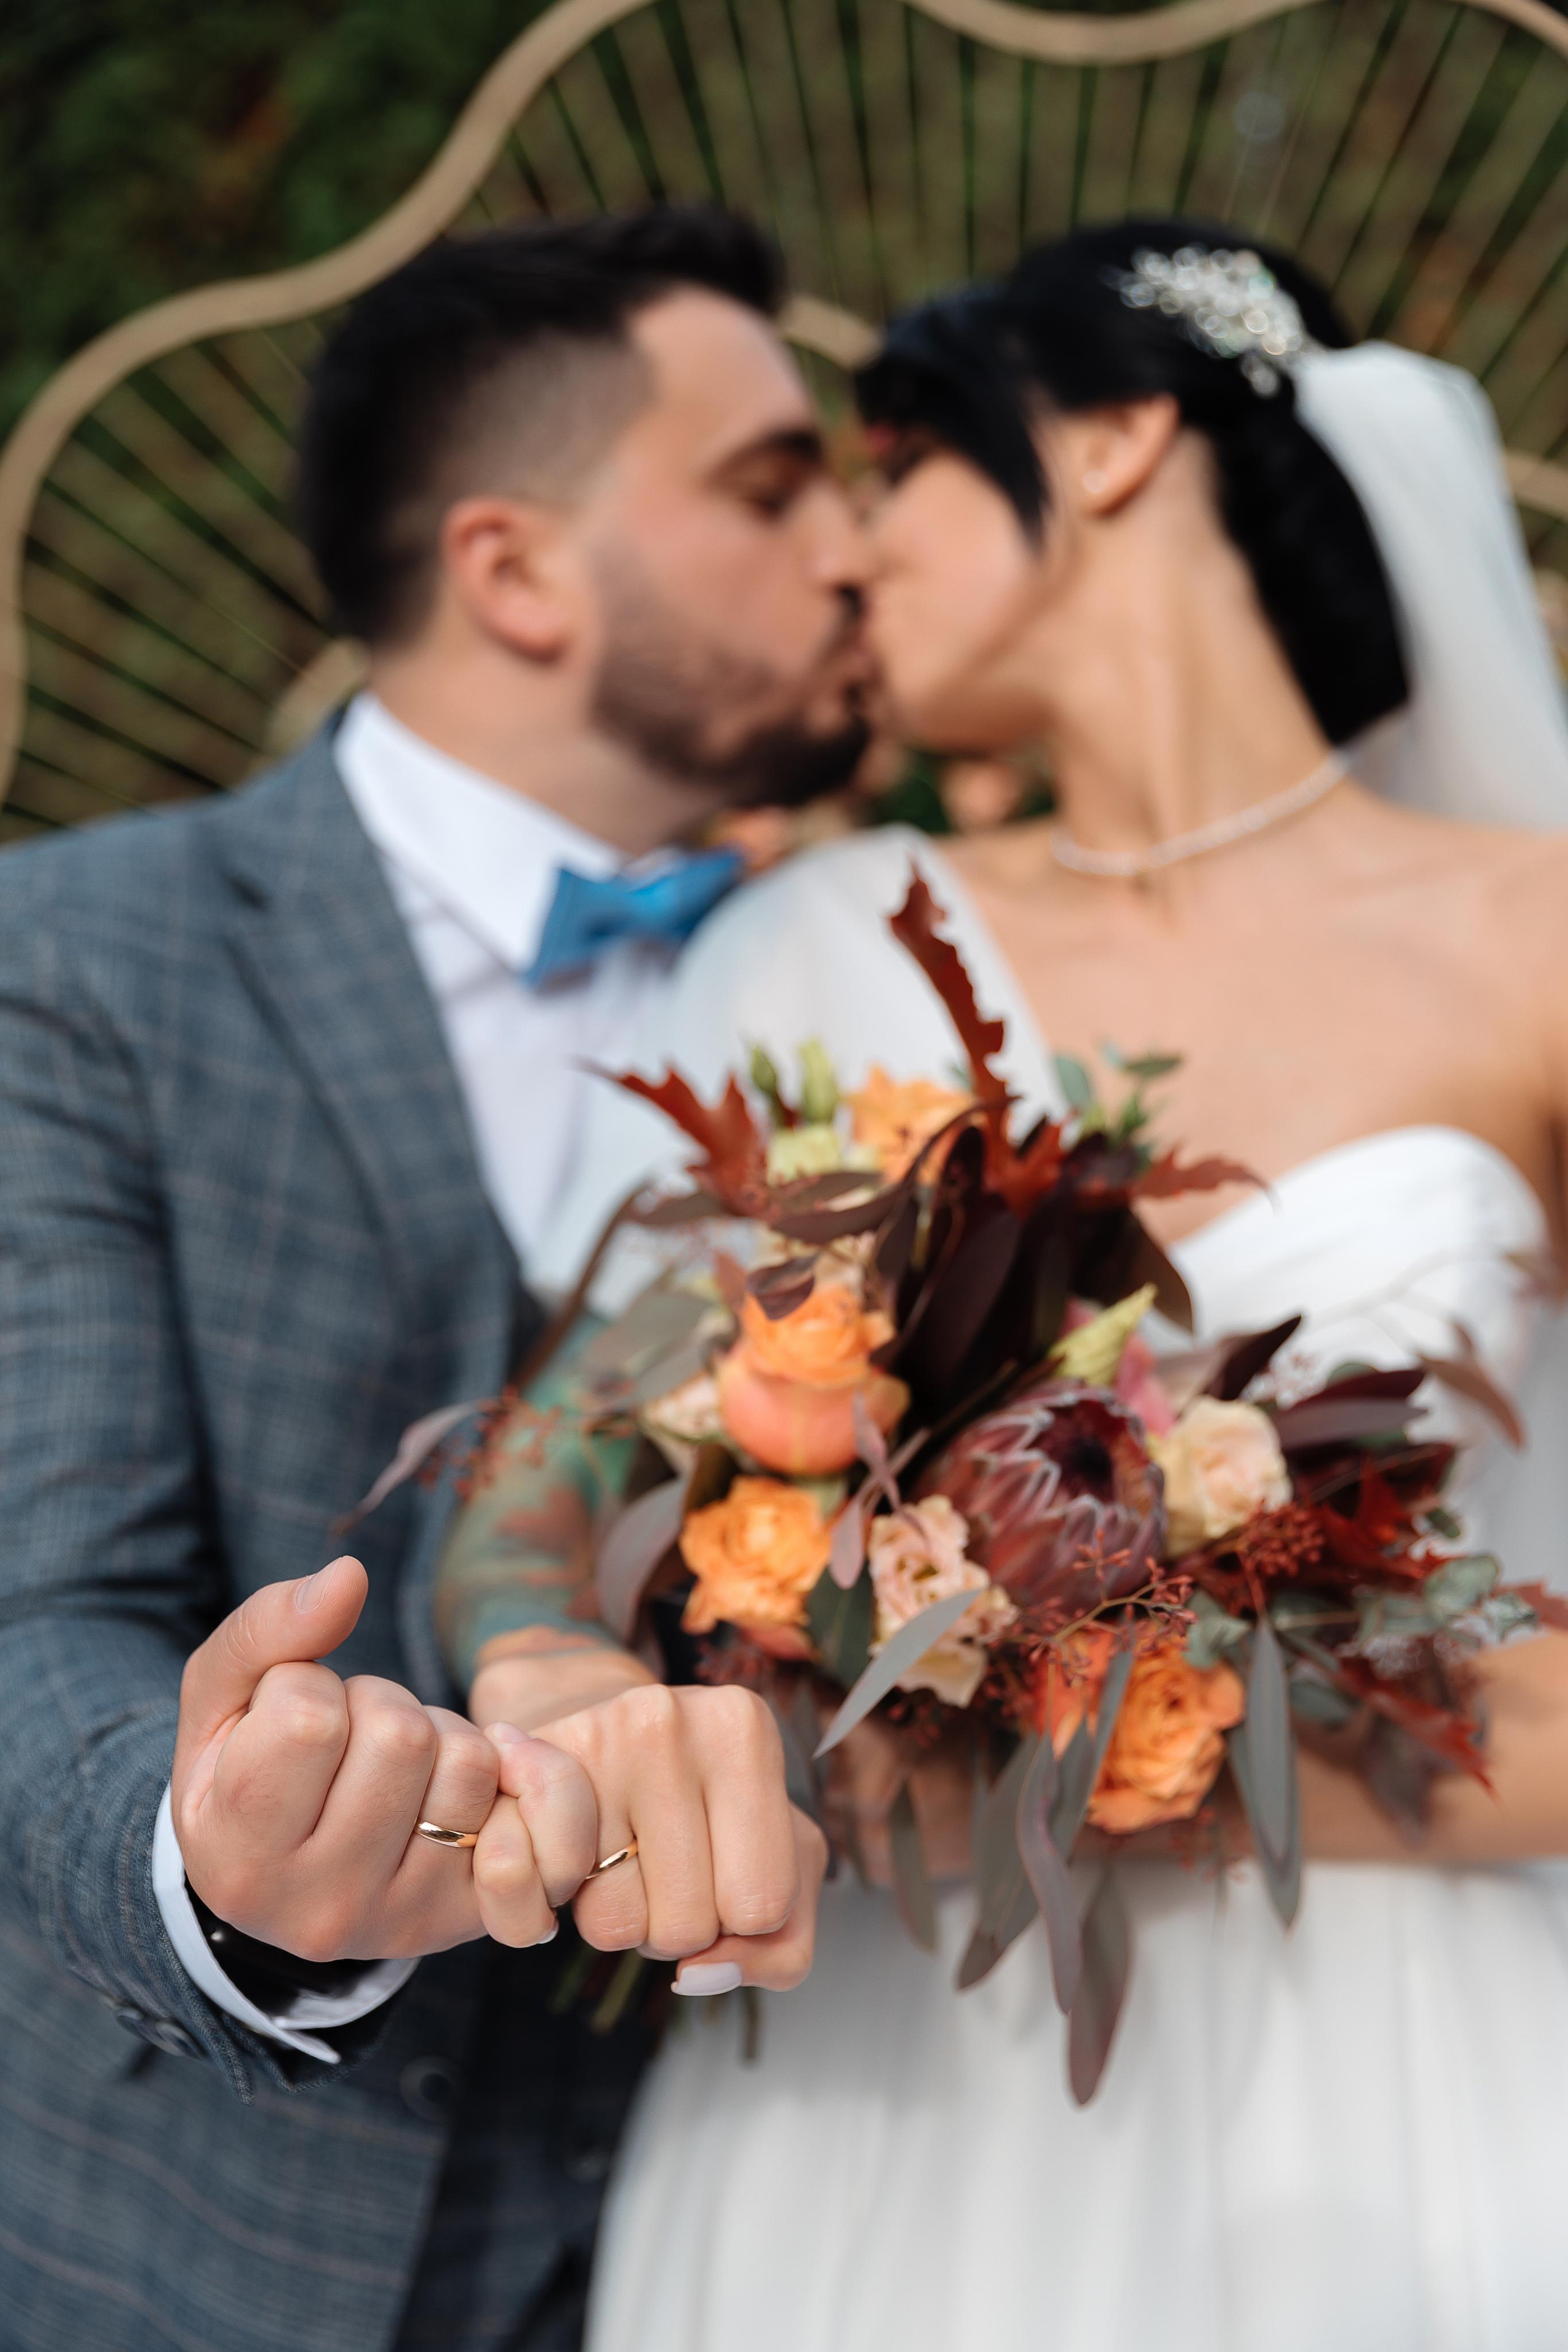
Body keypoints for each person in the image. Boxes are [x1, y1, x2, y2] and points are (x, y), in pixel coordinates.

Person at [562, 221, 1568, 2351]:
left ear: (1111, 442)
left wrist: (1100, 1755)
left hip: (1400, 2085)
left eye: (901, 467)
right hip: (887, 2097)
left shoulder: (1533, 940)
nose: (849, 558)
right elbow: (617, 1514)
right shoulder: (816, 939)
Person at [0, 205, 873, 2352]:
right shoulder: (80, 963)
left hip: (745, 2203)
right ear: (516, 571)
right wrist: (210, 1868)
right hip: (187, 2251)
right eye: (773, 486)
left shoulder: (870, 991)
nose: (854, 547)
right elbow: (39, 1604)